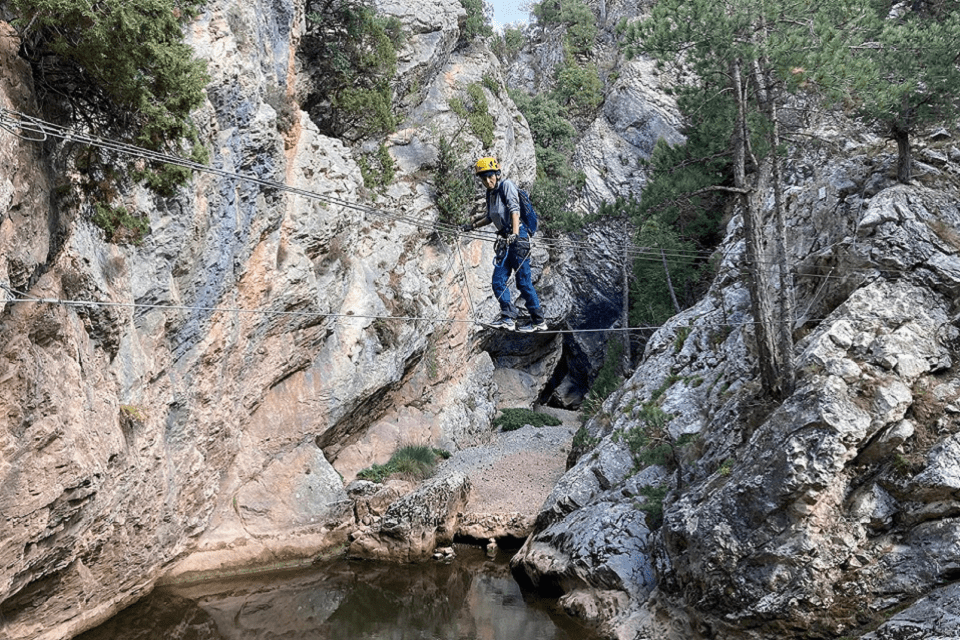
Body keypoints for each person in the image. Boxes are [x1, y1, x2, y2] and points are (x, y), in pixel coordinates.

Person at [462, 156, 547, 332]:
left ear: (497, 174)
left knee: (523, 282)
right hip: (506, 240)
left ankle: (538, 321)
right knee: (498, 281)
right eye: (483, 178)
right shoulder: (490, 193)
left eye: (490, 176)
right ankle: (508, 318)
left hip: (518, 238)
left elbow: (514, 211)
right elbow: (489, 217)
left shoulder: (506, 186)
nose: (487, 181)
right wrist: (472, 226)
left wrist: (515, 234)